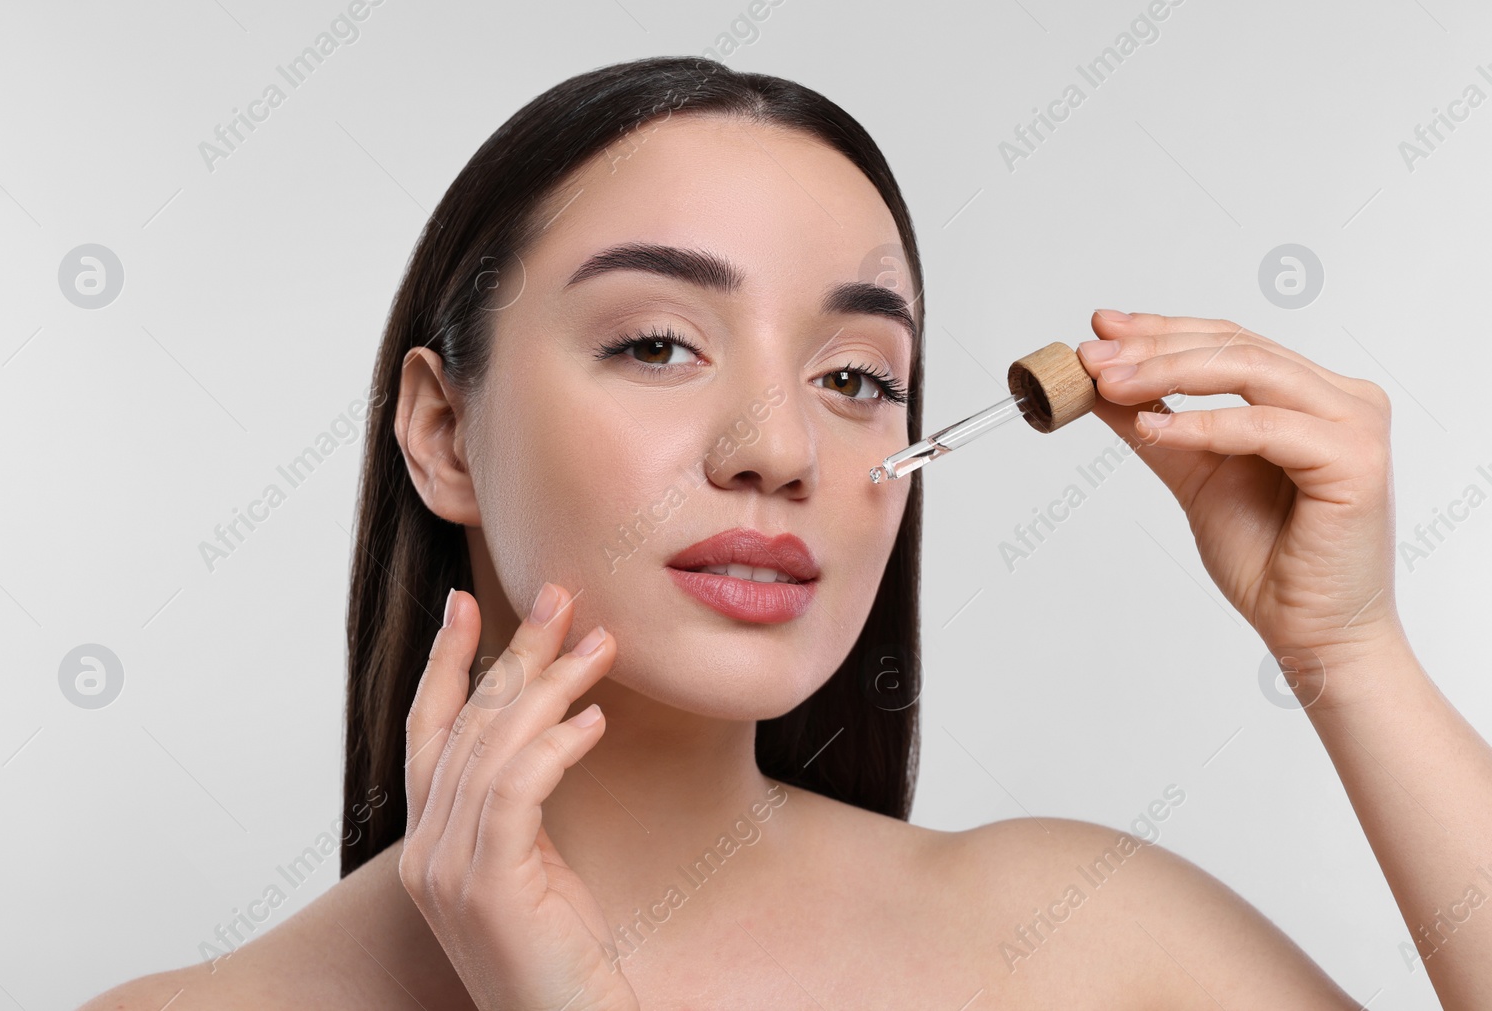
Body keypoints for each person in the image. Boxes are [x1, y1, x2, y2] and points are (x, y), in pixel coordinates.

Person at [79, 56, 1491, 1009]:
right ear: (445, 433)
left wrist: (1350, 654)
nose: (779, 451)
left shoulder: (1083, 944)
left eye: (858, 378)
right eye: (654, 344)